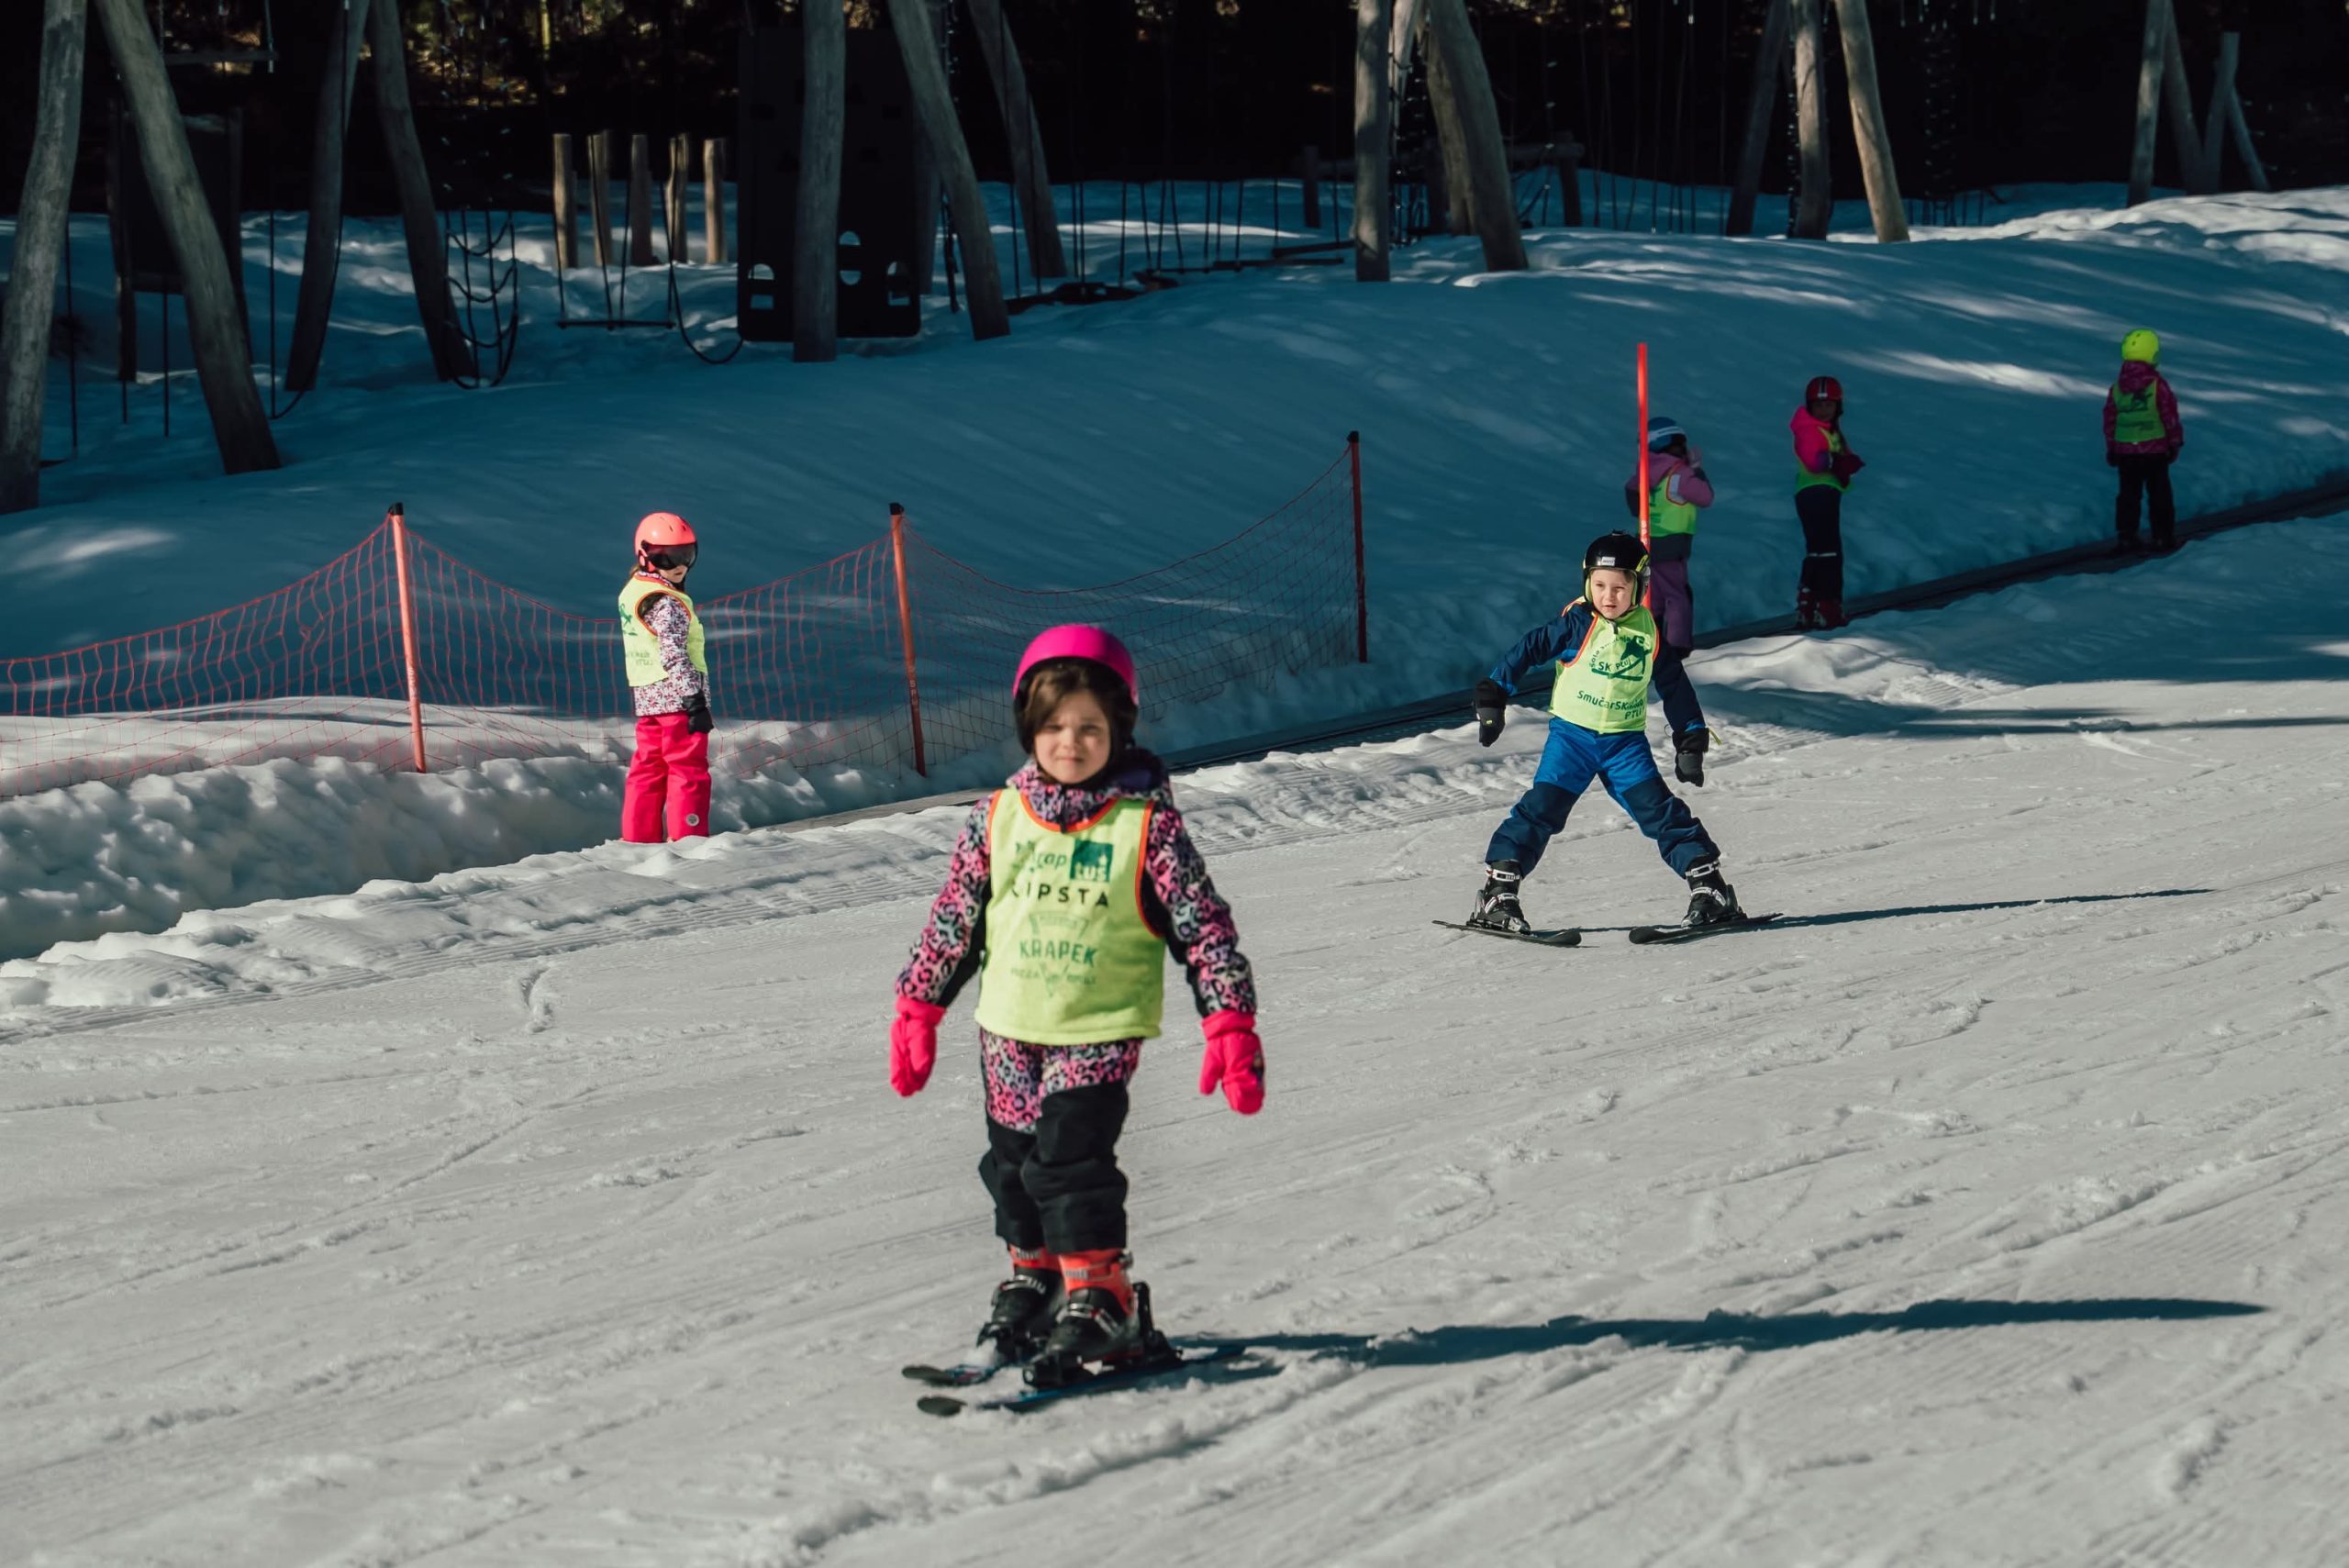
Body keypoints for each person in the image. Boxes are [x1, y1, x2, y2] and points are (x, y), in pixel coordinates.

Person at [889, 626, 1264, 1379]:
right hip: (1008, 1030)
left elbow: (1203, 926)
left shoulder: (1147, 826)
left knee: (1070, 1161)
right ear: (1029, 726)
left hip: (1097, 1030)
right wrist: (918, 1005)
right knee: (1013, 1166)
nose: (1071, 742)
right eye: (1055, 726)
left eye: (1090, 727)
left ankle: (1104, 1296)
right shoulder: (997, 817)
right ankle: (1038, 1280)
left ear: (1119, 728)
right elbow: (956, 919)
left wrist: (1229, 1019)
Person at [1468, 532, 1740, 934]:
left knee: (1659, 810)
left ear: (1639, 588)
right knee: (1541, 808)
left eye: (1619, 588)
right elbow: (1528, 649)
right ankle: (1498, 894)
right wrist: (1494, 693)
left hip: (1624, 744)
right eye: (1599, 585)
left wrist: (1690, 736)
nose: (1608, 596)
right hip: (1572, 740)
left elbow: (1675, 687)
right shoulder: (1576, 624)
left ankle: (1710, 890)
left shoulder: (1649, 633)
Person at [618, 511, 713, 844]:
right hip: (677, 701)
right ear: (644, 554)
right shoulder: (668, 602)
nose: (679, 566)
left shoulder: (634, 590)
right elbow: (672, 653)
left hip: (648, 699)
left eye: (687, 555)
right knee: (688, 769)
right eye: (666, 557)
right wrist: (694, 700)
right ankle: (690, 839)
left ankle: (638, 840)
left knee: (648, 768)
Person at [1622, 414, 1716, 663]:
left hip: (1646, 543)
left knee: (1654, 597)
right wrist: (1697, 471)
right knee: (1677, 596)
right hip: (1672, 544)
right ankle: (1677, 645)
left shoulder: (1644, 474)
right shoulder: (1680, 474)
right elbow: (1705, 497)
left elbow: (1633, 499)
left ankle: (1651, 642)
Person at [1790, 374, 1864, 630]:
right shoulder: (1809, 429)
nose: (1823, 410)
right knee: (1829, 552)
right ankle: (1827, 605)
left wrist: (1847, 461)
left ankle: (1809, 602)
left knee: (1819, 550)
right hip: (1817, 492)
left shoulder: (1828, 430)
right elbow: (1814, 460)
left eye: (1828, 405)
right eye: (1819, 405)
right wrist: (1838, 462)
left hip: (1821, 493)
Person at [2104, 328, 2186, 554]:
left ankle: (2126, 536)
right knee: (2159, 494)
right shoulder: (2158, 385)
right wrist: (2174, 442)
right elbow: (2169, 415)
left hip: (2125, 451)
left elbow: (2110, 419)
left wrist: (2112, 447)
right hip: (2155, 448)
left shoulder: (2117, 388)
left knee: (2128, 495)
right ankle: (2162, 537)